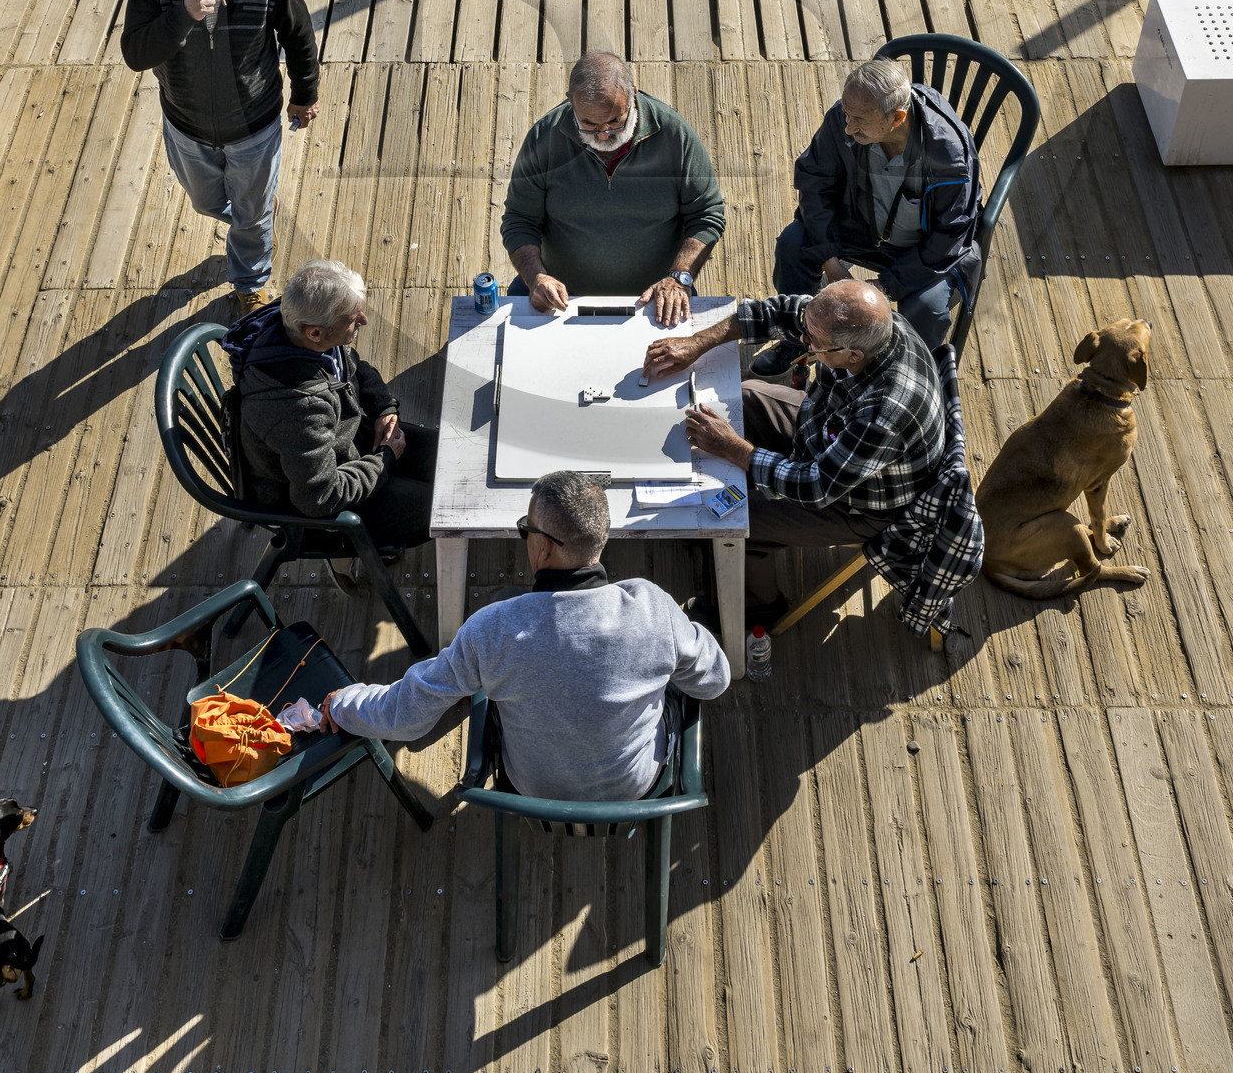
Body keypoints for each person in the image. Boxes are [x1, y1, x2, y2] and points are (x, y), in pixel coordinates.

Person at [282, 470, 730, 800]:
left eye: (525, 530)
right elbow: (714, 681)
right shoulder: (653, 609)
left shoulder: (492, 630)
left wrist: (340, 703)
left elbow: (407, 716)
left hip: (530, 786)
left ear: (544, 547)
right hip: (635, 789)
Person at [642, 279, 983, 641]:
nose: (803, 341)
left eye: (813, 343)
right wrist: (698, 342)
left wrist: (735, 449)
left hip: (857, 503)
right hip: (824, 432)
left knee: (740, 519)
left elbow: (817, 486)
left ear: (853, 355)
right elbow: (778, 312)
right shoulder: (867, 325)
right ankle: (713, 529)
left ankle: (757, 610)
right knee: (747, 396)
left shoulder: (885, 412)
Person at [120, 0, 318, 319]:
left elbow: (299, 35)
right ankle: (258, 214)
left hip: (255, 126)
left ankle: (250, 280)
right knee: (206, 203)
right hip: (186, 123)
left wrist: (305, 93)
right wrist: (183, 15)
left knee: (249, 216)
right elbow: (136, 54)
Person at [225, 259, 436, 564]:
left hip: (346, 444)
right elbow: (319, 497)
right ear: (314, 333)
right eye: (353, 318)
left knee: (448, 457)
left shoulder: (301, 334)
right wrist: (386, 459)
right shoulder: (297, 408)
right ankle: (348, 556)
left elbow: (354, 367)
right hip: (321, 506)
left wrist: (383, 407)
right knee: (439, 508)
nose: (363, 320)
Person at [500, 52, 725, 328]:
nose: (604, 135)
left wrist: (679, 278)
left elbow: (707, 213)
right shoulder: (543, 139)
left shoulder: (675, 136)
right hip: (559, 300)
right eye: (590, 124)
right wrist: (536, 277)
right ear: (571, 101)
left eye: (615, 121)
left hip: (657, 297)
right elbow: (519, 220)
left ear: (633, 95)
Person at [773, 56, 981, 353]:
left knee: (927, 306)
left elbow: (949, 238)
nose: (847, 127)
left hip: (922, 253)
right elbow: (814, 182)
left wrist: (886, 286)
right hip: (860, 229)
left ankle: (906, 371)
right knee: (792, 244)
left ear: (897, 118)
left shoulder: (951, 159)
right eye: (847, 113)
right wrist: (830, 262)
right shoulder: (843, 119)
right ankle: (799, 340)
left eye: (858, 120)